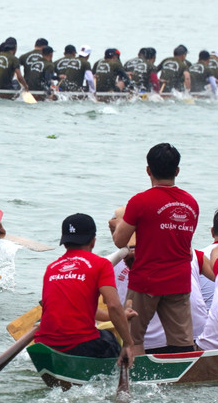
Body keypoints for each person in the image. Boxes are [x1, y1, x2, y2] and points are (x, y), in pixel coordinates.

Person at [112, 142, 200, 355]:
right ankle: (179, 382)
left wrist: (116, 225)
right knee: (182, 342)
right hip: (179, 281)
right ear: (177, 171)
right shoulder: (192, 203)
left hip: (146, 280)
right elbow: (182, 244)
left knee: (132, 338)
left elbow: (119, 241)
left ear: (148, 170)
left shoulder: (140, 201)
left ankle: (138, 381)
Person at [34, 213, 133, 362]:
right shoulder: (101, 264)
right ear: (93, 241)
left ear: (65, 243)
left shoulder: (52, 268)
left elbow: (74, 307)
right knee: (109, 339)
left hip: (44, 343)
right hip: (80, 345)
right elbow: (113, 305)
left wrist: (115, 317)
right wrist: (128, 343)